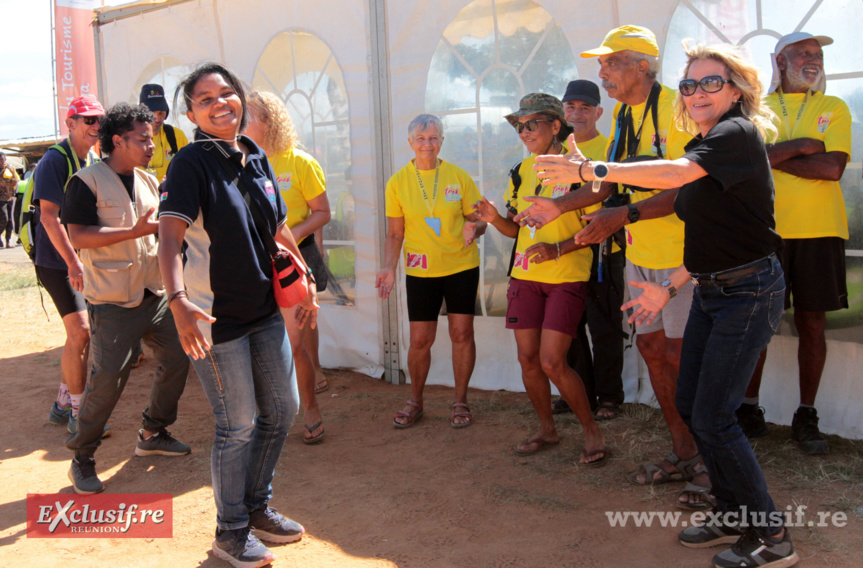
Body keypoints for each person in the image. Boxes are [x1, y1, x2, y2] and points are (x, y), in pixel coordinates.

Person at [537, 42, 797, 568]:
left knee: (715, 417)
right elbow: (704, 226)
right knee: (698, 410)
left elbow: (674, 175)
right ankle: (732, 513)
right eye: (689, 84)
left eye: (710, 83)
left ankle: (772, 538)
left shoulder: (736, 134)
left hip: (747, 293)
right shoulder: (707, 145)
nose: (696, 92)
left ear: (737, 90)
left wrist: (592, 173)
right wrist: (670, 287)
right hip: (711, 288)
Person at [513, 26, 709, 508]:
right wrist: (559, 208)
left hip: (687, 257)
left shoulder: (679, 107)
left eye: (612, 62)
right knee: (652, 351)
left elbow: (688, 185)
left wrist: (623, 214)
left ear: (643, 65)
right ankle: (683, 451)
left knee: (686, 359)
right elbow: (609, 182)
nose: (602, 73)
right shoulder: (623, 112)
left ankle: (709, 464)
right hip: (642, 255)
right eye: (601, 64)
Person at [158, 62, 318, 568]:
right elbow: (169, 236)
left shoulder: (254, 156)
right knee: (238, 424)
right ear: (190, 114)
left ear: (241, 100)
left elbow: (278, 228)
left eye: (227, 93)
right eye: (205, 99)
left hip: (263, 311)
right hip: (211, 318)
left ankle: (256, 507)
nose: (220, 102)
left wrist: (304, 274)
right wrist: (179, 300)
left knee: (283, 409)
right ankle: (230, 534)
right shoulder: (189, 164)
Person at [62, 102, 192, 494]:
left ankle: (153, 431)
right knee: (107, 382)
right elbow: (79, 236)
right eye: (142, 139)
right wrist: (133, 232)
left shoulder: (149, 181)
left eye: (150, 139)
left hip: (154, 294)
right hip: (113, 301)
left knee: (179, 357)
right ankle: (81, 457)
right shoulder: (84, 182)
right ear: (117, 140)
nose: (150, 145)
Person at [473, 93, 607, 465]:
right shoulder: (520, 170)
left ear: (554, 125)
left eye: (532, 123)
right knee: (528, 359)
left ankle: (591, 431)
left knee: (552, 361)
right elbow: (516, 231)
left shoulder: (580, 166)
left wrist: (556, 249)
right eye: (519, 125)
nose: (524, 131)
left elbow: (596, 228)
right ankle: (547, 429)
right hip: (524, 277)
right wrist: (492, 217)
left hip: (566, 275)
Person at [737, 33, 851, 454]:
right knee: (755, 328)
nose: (812, 60)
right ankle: (749, 410)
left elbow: (832, 168)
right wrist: (804, 146)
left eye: (818, 55)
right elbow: (751, 159)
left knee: (812, 325)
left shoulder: (834, 107)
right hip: (764, 233)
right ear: (779, 59)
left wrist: (779, 154)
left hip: (820, 232)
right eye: (803, 53)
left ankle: (806, 415)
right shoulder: (755, 108)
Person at [375, 114, 484, 429]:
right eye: (421, 139)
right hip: (421, 271)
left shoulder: (459, 177)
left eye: (433, 138)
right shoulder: (397, 182)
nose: (427, 144)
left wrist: (473, 227)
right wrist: (388, 267)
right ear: (410, 143)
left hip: (461, 266)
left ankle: (460, 400)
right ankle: (416, 400)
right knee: (421, 339)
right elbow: (395, 234)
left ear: (441, 142)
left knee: (461, 333)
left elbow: (481, 221)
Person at [244, 90, 331, 444]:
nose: (240, 123)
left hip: (295, 255)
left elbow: (323, 212)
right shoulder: (240, 161)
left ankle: (310, 405)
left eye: (247, 116)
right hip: (254, 261)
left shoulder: (300, 162)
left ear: (269, 120)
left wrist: (287, 237)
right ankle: (266, 413)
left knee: (300, 336)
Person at [32, 95, 108, 436]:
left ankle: (63, 404)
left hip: (75, 260)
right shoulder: (55, 160)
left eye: (99, 121)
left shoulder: (89, 156)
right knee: (81, 332)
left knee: (79, 336)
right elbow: (49, 218)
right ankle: (79, 416)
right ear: (71, 124)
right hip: (57, 262)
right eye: (88, 120)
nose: (95, 126)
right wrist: (74, 264)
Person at [552, 80, 626, 421]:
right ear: (562, 112)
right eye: (571, 107)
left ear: (598, 112)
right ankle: (577, 392)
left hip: (603, 250)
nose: (577, 113)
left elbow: (617, 197)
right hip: (564, 252)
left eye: (585, 107)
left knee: (604, 326)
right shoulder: (555, 151)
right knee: (571, 326)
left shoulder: (610, 146)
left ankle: (609, 397)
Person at [139, 83, 189, 181]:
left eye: (161, 112)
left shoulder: (177, 135)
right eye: (151, 113)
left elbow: (188, 168)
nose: (157, 118)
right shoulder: (131, 137)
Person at [0, 152, 19, 248]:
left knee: (11, 220)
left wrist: (12, 171)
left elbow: (15, 182)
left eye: (3, 160)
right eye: (0, 160)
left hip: (10, 197)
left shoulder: (9, 170)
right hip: (0, 199)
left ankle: (8, 241)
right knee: (4, 218)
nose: (2, 162)